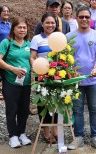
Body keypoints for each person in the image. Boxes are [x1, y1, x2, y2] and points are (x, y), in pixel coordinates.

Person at [66, 7, 96, 150]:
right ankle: (78, 137)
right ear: (76, 18)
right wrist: (71, 72)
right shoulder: (69, 36)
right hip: (76, 80)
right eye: (81, 17)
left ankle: (95, 137)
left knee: (95, 109)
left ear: (91, 19)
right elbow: (65, 58)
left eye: (87, 17)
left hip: (93, 80)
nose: (84, 19)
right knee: (77, 110)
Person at [0, 17, 32, 148]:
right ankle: (13, 136)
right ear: (13, 29)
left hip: (26, 83)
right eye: (19, 27)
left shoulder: (29, 43)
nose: (22, 30)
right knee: (12, 109)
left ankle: (21, 133)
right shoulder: (7, 42)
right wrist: (13, 69)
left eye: (24, 28)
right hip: (10, 82)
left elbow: (33, 60)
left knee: (24, 110)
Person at [30, 13, 59, 143]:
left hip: (58, 75)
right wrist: (37, 68)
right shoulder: (37, 38)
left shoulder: (59, 37)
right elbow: (32, 56)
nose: (50, 25)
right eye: (47, 22)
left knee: (57, 101)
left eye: (53, 22)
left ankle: (56, 130)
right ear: (42, 24)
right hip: (41, 75)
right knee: (43, 103)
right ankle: (46, 131)